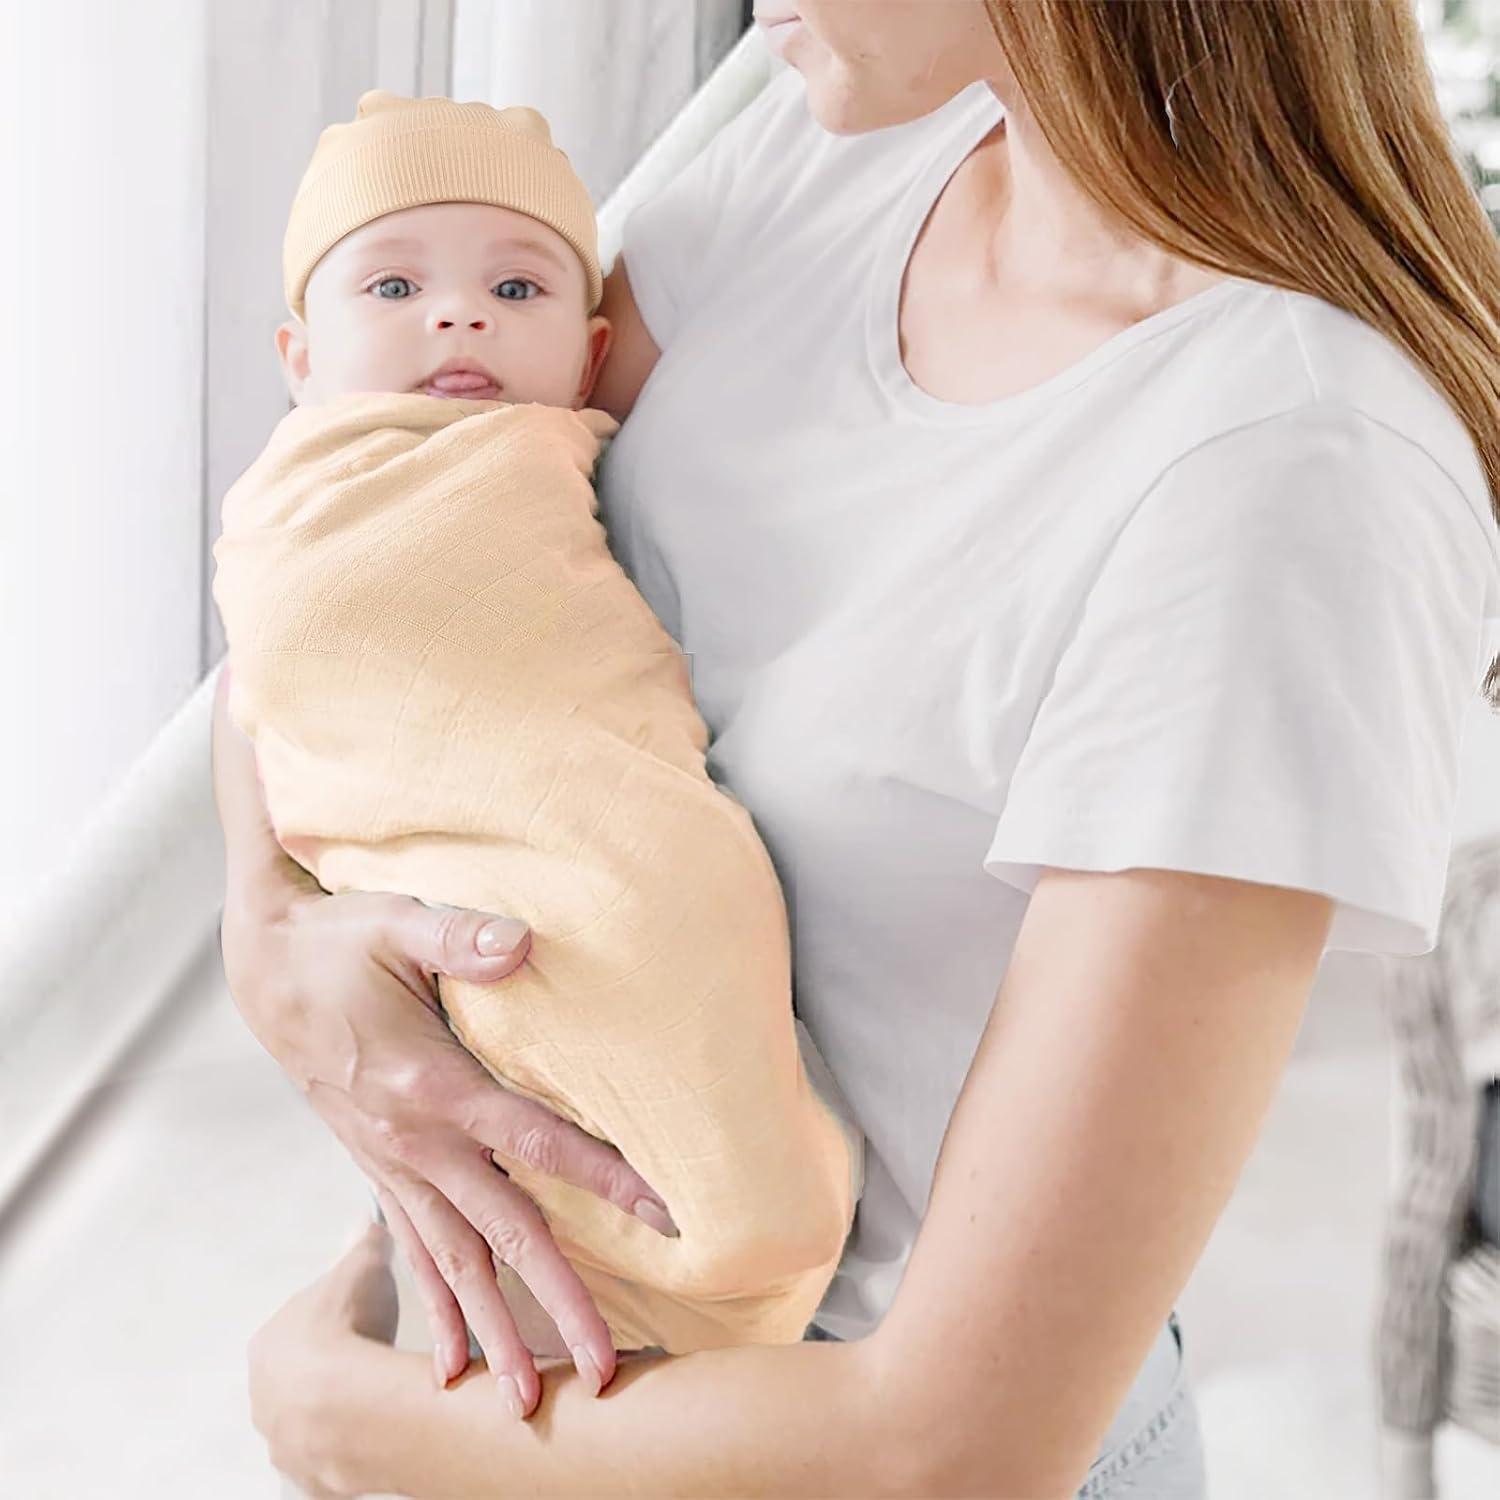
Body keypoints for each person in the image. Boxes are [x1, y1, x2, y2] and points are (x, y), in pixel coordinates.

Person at [225, 2, 1500, 1495]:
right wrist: (277, 947)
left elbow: (956, 1444)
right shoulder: (846, 139)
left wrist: (328, 1412)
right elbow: (372, 510)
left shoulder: (1288, 473)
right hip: (535, 1362)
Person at [212, 87, 864, 1375]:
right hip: (457, 873)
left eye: (518, 293)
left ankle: (708, 1242)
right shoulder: (306, 498)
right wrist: (262, 915)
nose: (458, 314)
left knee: (653, 911)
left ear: (591, 351)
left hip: (614, 817)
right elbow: (285, 649)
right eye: (391, 289)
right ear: (300, 361)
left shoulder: (554, 449)